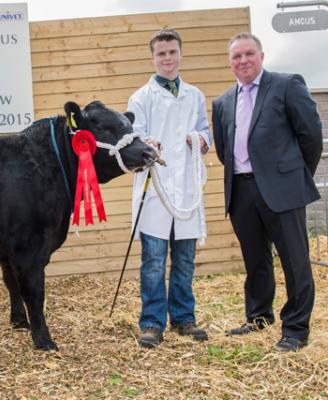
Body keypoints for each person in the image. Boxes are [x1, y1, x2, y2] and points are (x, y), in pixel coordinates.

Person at [212, 32, 322, 352]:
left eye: (249, 54)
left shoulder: (287, 85)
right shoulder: (222, 102)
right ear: (230, 62)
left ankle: (296, 329)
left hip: (282, 189)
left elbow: (311, 135)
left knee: (295, 261)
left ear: (261, 56)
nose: (243, 60)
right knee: (255, 259)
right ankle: (259, 316)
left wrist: (295, 176)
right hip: (241, 190)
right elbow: (224, 150)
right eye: (236, 56)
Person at [128, 29, 211, 348]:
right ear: (153, 58)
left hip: (186, 189)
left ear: (180, 53)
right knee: (153, 259)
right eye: (161, 53)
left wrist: (202, 140)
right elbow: (133, 139)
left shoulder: (195, 95)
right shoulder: (141, 97)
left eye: (172, 52)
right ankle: (151, 322)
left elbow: (205, 131)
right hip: (156, 190)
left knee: (185, 258)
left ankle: (184, 318)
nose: (167, 58)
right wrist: (145, 143)